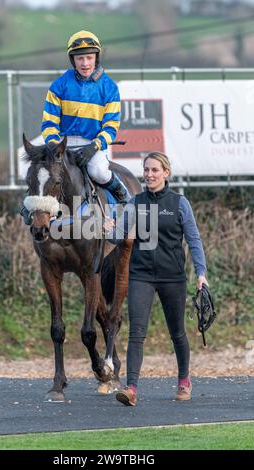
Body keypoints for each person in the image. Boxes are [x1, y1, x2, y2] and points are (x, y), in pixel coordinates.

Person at [104, 151, 208, 406]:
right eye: (146, 170)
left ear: (166, 173)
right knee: (136, 333)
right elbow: (118, 236)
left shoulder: (179, 203)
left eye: (154, 170)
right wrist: (109, 229)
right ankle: (132, 389)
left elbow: (193, 240)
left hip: (173, 277)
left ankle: (184, 380)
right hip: (141, 276)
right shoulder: (135, 202)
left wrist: (201, 274)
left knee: (177, 333)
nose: (149, 174)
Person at [20, 30, 129, 225]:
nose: (85, 63)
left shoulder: (110, 87)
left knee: (98, 171)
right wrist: (55, 147)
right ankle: (31, 209)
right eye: (80, 58)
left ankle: (122, 194)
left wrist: (94, 146)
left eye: (89, 57)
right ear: (73, 60)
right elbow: (49, 123)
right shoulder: (59, 85)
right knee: (38, 171)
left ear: (96, 57)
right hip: (62, 144)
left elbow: (111, 126)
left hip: (93, 144)